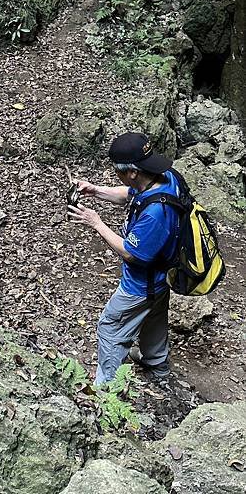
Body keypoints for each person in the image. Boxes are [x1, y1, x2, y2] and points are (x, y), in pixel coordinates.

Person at [67, 132, 180, 385]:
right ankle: (157, 365)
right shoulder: (164, 177)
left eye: (118, 170)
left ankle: (107, 388)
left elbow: (132, 252)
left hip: (141, 284)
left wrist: (95, 222)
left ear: (132, 172)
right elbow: (132, 194)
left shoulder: (155, 214)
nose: (117, 174)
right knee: (153, 316)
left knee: (110, 327)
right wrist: (96, 191)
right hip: (163, 277)